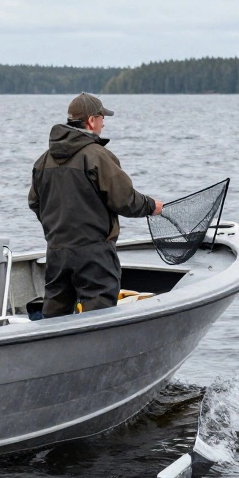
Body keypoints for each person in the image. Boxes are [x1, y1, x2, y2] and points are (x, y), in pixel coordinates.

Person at [27, 93, 163, 318]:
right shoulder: (98, 156)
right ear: (90, 120)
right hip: (94, 254)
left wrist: (57, 227)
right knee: (99, 317)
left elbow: (34, 202)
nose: (104, 122)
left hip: (56, 252)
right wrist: (151, 206)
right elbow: (125, 200)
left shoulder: (43, 161)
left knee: (54, 317)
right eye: (101, 117)